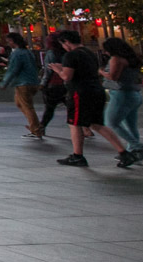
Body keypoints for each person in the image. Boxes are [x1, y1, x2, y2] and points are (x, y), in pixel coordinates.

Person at [52, 30, 126, 167]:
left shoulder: (71, 55)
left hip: (80, 92)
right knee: (96, 123)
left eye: (63, 44)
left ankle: (77, 155)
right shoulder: (89, 53)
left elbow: (67, 77)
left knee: (74, 123)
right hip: (96, 90)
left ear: (66, 42)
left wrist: (58, 70)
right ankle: (124, 152)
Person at [102, 37, 143, 167]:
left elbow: (113, 77)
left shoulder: (116, 59)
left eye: (106, 50)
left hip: (121, 94)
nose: (105, 53)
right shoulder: (132, 59)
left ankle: (136, 146)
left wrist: (101, 71)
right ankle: (133, 150)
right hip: (134, 93)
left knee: (111, 122)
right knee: (131, 124)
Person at [0, 32, 43, 137]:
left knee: (27, 106)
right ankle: (34, 125)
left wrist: (5, 82)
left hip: (23, 83)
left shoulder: (17, 53)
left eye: (9, 41)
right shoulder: (27, 52)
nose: (8, 43)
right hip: (31, 81)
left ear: (13, 41)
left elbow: (13, 69)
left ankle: (36, 128)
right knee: (20, 103)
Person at [38, 32, 68, 133]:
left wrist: (43, 83)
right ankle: (85, 129)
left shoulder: (51, 53)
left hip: (54, 84)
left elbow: (48, 70)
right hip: (66, 82)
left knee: (49, 108)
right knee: (71, 106)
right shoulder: (67, 52)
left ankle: (41, 127)